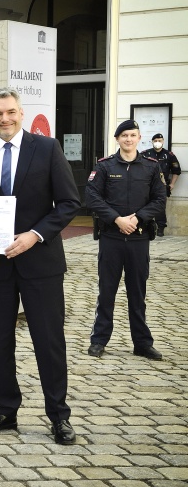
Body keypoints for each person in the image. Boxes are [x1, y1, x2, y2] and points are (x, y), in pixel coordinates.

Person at [0, 87, 80, 445]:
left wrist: (34, 235)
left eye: (11, 112)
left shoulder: (46, 149)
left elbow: (69, 202)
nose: (5, 119)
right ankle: (5, 410)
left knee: (48, 341)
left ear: (22, 112)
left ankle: (59, 416)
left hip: (40, 264)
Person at [85, 120, 167, 360]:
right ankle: (99, 340)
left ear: (139, 137)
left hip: (139, 238)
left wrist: (138, 218)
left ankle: (142, 343)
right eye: (124, 136)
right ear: (117, 139)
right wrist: (117, 220)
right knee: (107, 291)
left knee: (137, 293)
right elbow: (92, 197)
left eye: (132, 135)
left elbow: (160, 199)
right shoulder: (104, 166)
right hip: (111, 237)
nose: (128, 139)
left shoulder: (151, 167)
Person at [142, 133, 180, 236]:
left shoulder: (169, 155)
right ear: (152, 142)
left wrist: (172, 184)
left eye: (160, 140)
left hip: (162, 185)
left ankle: (160, 228)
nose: (157, 142)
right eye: (155, 140)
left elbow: (176, 171)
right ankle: (146, 226)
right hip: (147, 185)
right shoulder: (145, 154)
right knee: (145, 205)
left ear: (163, 141)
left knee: (160, 207)